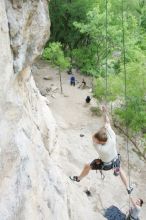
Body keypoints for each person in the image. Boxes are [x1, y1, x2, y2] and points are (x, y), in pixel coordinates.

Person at [70, 106, 133, 194]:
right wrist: (105, 112)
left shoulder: (100, 148)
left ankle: (78, 178)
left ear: (99, 142)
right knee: (120, 168)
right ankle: (128, 187)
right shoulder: (112, 136)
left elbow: (93, 137)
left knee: (88, 166)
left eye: (97, 140)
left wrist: (102, 128)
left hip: (105, 165)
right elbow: (107, 122)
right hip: (115, 159)